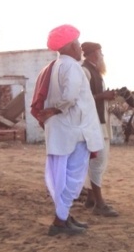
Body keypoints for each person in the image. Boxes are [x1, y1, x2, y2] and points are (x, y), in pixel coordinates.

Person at [41, 24, 104, 236]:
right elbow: (69, 97)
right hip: (76, 131)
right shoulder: (73, 67)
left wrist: (54, 110)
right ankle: (59, 222)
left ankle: (64, 218)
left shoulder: (57, 65)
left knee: (65, 178)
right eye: (76, 44)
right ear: (68, 46)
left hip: (68, 130)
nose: (79, 48)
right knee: (73, 178)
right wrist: (56, 108)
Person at [80, 42, 119, 217]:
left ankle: (90, 198)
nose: (102, 55)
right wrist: (104, 96)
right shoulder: (85, 71)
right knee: (97, 162)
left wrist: (106, 97)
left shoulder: (95, 72)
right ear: (94, 54)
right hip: (92, 124)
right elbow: (82, 99)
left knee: (97, 162)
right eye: (100, 52)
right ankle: (99, 203)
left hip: (100, 123)